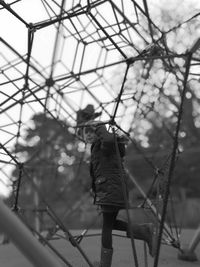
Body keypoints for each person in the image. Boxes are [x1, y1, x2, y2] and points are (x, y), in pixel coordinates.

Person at [82, 121, 156, 267]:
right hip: (110, 190)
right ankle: (144, 230)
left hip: (111, 190)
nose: (89, 134)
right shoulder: (98, 148)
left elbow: (108, 139)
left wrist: (100, 126)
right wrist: (96, 190)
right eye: (86, 132)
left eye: (92, 131)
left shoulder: (105, 146)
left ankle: (105, 264)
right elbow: (100, 171)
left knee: (107, 227)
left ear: (99, 133)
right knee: (110, 223)